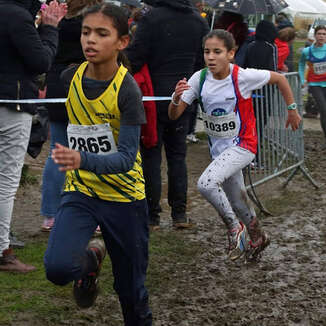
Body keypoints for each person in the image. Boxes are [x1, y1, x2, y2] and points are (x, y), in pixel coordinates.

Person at [43, 4, 152, 325]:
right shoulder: (70, 76)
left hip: (125, 200)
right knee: (58, 268)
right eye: (86, 32)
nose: (90, 40)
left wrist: (81, 158)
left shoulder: (128, 90)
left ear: (122, 42)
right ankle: (89, 262)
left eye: (102, 34)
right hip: (82, 192)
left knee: (131, 291)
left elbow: (126, 159)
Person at [168, 29, 301, 261]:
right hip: (219, 152)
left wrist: (292, 110)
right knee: (239, 202)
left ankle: (234, 228)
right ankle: (258, 237)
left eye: (217, 52)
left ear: (231, 53)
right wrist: (175, 98)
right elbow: (174, 115)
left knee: (206, 184)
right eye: (207, 51)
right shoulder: (198, 79)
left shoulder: (242, 76)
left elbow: (279, 78)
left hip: (243, 146)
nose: (210, 57)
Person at [126, 0, 209, 230]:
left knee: (151, 154)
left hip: (153, 96)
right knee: (177, 155)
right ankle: (179, 214)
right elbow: (202, 60)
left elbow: (136, 56)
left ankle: (152, 216)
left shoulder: (151, 19)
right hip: (183, 94)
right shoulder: (198, 21)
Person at [0, 0, 66, 273]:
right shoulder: (17, 16)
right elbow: (41, 61)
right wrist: (50, 29)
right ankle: (2, 250)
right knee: (5, 181)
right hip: (12, 105)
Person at [40, 0, 103, 233]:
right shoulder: (94, 23)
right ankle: (90, 212)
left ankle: (51, 214)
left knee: (57, 152)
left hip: (58, 85)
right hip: (86, 84)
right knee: (91, 151)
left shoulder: (59, 21)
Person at [299, 25, 326, 150]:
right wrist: (302, 79)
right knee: (323, 110)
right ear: (315, 36)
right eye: (319, 34)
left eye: (324, 34)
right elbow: (301, 64)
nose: (321, 36)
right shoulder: (307, 51)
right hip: (315, 85)